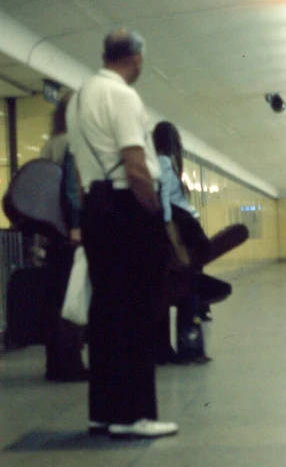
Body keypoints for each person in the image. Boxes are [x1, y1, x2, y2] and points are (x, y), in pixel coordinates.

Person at [66, 29, 177, 438]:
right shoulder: (123, 96)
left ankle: (104, 413)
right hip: (128, 209)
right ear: (135, 58)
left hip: (97, 209)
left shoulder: (79, 97)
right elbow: (134, 164)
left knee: (106, 313)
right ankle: (135, 416)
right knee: (138, 311)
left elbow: (79, 171)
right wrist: (152, 216)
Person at [39, 92, 88, 382]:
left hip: (50, 232)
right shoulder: (73, 143)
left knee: (53, 299)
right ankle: (72, 363)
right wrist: (77, 225)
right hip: (69, 232)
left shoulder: (49, 144)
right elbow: (72, 188)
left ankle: (53, 364)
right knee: (73, 297)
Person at [152, 121, 210, 364]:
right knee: (188, 289)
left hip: (169, 231)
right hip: (174, 232)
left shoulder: (159, 162)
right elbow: (163, 197)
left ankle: (166, 351)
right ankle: (189, 349)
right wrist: (166, 231)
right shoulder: (165, 163)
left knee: (169, 292)